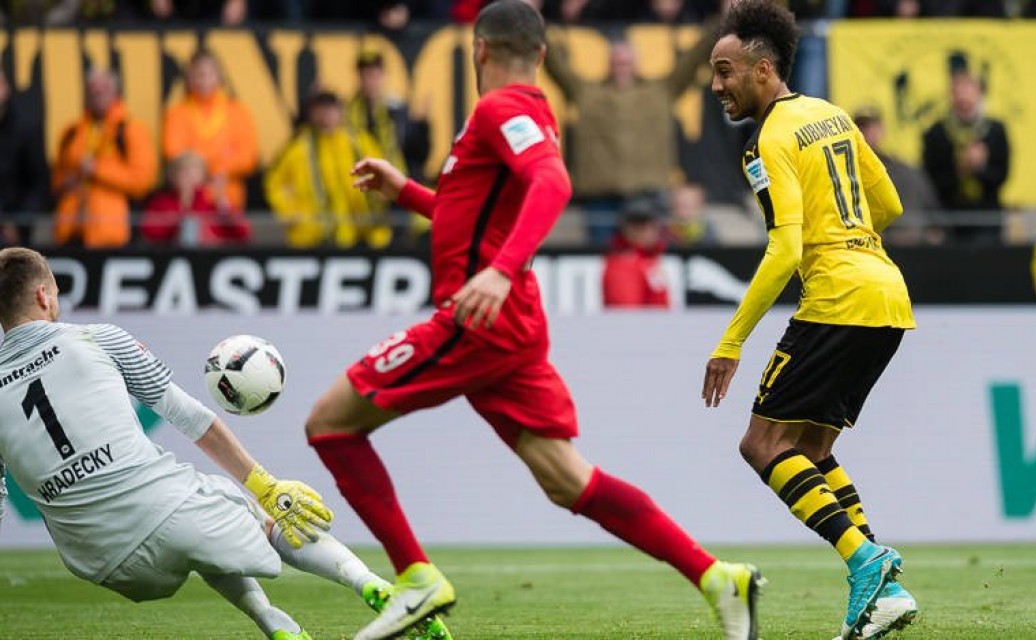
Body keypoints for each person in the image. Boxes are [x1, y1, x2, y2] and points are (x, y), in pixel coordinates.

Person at [305, 3, 761, 640]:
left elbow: (553, 184)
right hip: (510, 323)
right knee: (568, 480)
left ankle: (415, 577)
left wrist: (497, 272)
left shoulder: (500, 110)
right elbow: (474, 215)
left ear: (479, 50)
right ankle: (717, 578)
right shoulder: (526, 113)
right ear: (542, 56)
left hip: (478, 319)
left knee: (329, 423)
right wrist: (404, 192)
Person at [0, 247, 451, 640]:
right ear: (43, 295)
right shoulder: (96, 338)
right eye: (55, 292)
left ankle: (276, 624)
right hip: (166, 513)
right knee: (258, 516)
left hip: (98, 563)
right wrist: (265, 486)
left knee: (202, 533)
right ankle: (372, 586)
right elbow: (189, 416)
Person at [702, 2, 918, 639]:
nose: (716, 85)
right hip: (887, 295)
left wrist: (731, 341)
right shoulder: (832, 115)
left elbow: (785, 249)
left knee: (762, 445)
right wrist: (851, 239)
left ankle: (865, 559)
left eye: (725, 71)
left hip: (838, 299)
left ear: (763, 70)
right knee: (812, 449)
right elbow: (889, 204)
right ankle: (884, 589)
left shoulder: (767, 140)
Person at [542, 5, 724, 243]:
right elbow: (555, 65)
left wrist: (720, 21)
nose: (622, 66)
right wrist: (534, 23)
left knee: (649, 256)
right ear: (608, 64)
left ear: (637, 63)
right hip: (601, 195)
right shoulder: (586, 93)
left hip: (648, 192)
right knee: (604, 256)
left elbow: (694, 57)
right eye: (617, 61)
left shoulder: (661, 91)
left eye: (626, 61)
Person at [265, 91, 390, 248]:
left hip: (361, 234)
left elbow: (383, 175)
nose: (326, 116)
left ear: (341, 112)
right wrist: (291, 213)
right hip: (311, 236)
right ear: (312, 114)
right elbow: (274, 183)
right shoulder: (299, 147)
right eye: (321, 111)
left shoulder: (359, 142)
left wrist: (378, 200)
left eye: (330, 110)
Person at [52, 69, 157, 248]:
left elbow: (142, 181)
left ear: (116, 93)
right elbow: (56, 180)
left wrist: (97, 169)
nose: (96, 95)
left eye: (103, 90)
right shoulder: (72, 132)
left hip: (112, 232)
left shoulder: (131, 130)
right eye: (92, 91)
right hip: (70, 230)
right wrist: (64, 182)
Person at [346, 50, 433, 239]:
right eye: (366, 75)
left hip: (395, 188)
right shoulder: (349, 113)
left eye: (374, 74)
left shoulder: (398, 111)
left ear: (383, 76)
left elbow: (417, 154)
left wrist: (422, 127)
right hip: (362, 192)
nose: (370, 80)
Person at [162, 50, 259, 212]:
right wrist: (222, 159)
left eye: (208, 74)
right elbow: (174, 154)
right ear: (188, 78)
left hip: (229, 198)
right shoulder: (176, 114)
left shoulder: (238, 112)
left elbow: (248, 158)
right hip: (189, 199)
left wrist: (199, 162)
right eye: (197, 74)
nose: (203, 80)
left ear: (219, 76)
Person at [921, 70, 1010, 244]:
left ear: (979, 94)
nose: (963, 99)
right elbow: (931, 179)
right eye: (958, 92)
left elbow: (1001, 176)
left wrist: (980, 168)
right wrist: (960, 169)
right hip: (948, 218)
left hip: (986, 219)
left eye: (969, 91)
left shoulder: (995, 131)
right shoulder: (936, 133)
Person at [854, 107, 942, 246]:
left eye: (870, 127)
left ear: (881, 130)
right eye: (861, 128)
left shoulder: (903, 171)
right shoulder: (847, 169)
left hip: (904, 243)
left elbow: (930, 212)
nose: (865, 133)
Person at [140, 151, 252, 247]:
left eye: (194, 174)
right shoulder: (161, 203)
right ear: (173, 176)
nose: (189, 179)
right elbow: (149, 233)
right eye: (185, 173)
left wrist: (221, 202)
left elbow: (243, 233)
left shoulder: (213, 205)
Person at [0, 68, 50, 247]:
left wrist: (20, 224)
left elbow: (39, 183)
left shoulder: (26, 129)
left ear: (6, 88)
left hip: (14, 230)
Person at [602, 199, 671, 308]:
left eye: (647, 224)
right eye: (635, 225)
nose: (641, 230)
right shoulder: (622, 264)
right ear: (624, 228)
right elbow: (627, 312)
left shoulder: (650, 259)